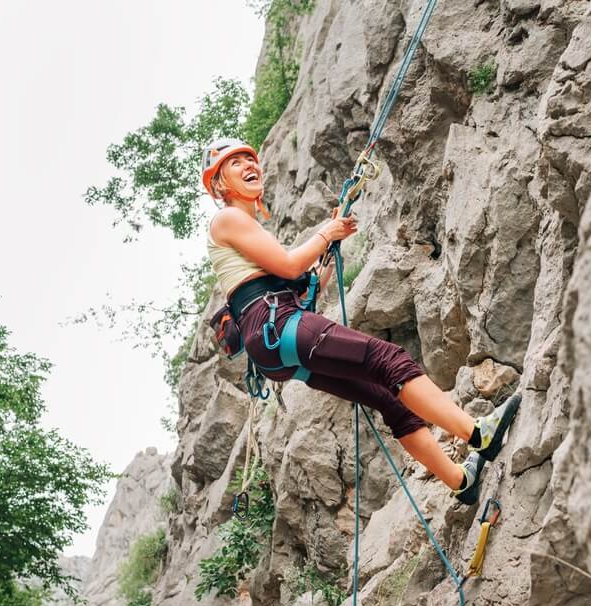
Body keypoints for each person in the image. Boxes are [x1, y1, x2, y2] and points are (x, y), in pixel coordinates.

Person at [201, 138, 521, 505]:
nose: (247, 164)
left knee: (388, 398)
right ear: (220, 184)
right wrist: (325, 234)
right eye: (235, 162)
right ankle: (478, 433)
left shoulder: (248, 232)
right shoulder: (228, 219)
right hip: (277, 324)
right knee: (388, 360)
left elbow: (305, 286)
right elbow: (290, 265)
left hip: (274, 344)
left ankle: (461, 481)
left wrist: (328, 242)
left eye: (249, 158)